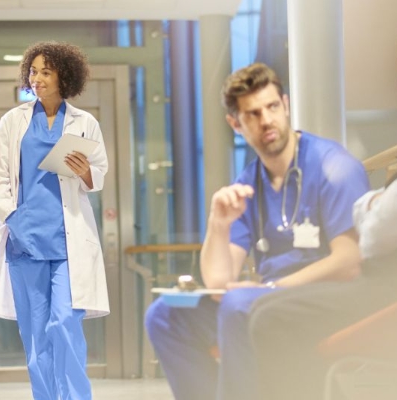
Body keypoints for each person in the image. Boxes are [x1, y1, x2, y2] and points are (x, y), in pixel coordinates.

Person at [144, 62, 370, 400]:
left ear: (286, 105)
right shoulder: (248, 184)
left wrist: (271, 289)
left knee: (239, 304)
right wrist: (218, 224)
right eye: (253, 114)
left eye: (272, 107)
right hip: (264, 302)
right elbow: (219, 280)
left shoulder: (333, 165)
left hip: (325, 300)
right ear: (235, 124)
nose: (266, 120)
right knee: (164, 316)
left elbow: (349, 261)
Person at [249, 27, 397, 400]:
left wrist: (373, 205)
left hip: (395, 291)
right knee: (259, 308)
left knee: (270, 317)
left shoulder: (335, 166)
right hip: (382, 283)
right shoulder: (250, 181)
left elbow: (373, 236)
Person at [0, 41, 109, 400]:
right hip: (24, 239)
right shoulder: (14, 121)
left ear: (64, 77)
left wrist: (85, 172)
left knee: (64, 323)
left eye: (46, 72)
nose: (37, 78)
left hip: (67, 242)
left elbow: (99, 175)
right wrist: (11, 215)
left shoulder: (84, 123)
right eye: (33, 71)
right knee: (36, 336)